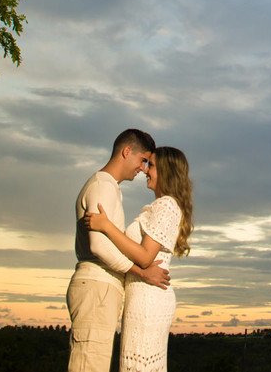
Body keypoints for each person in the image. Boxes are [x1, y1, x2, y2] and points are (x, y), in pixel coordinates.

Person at [82, 146, 194, 372]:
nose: (145, 170)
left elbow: (145, 257)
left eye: (151, 166)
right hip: (141, 295)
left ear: (166, 171)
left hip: (149, 299)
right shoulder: (161, 205)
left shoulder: (166, 205)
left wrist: (106, 226)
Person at [67, 129, 170, 372]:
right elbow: (98, 245)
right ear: (126, 152)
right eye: (142, 160)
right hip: (95, 286)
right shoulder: (103, 186)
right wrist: (141, 272)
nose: (143, 168)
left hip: (100, 289)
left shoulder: (108, 187)